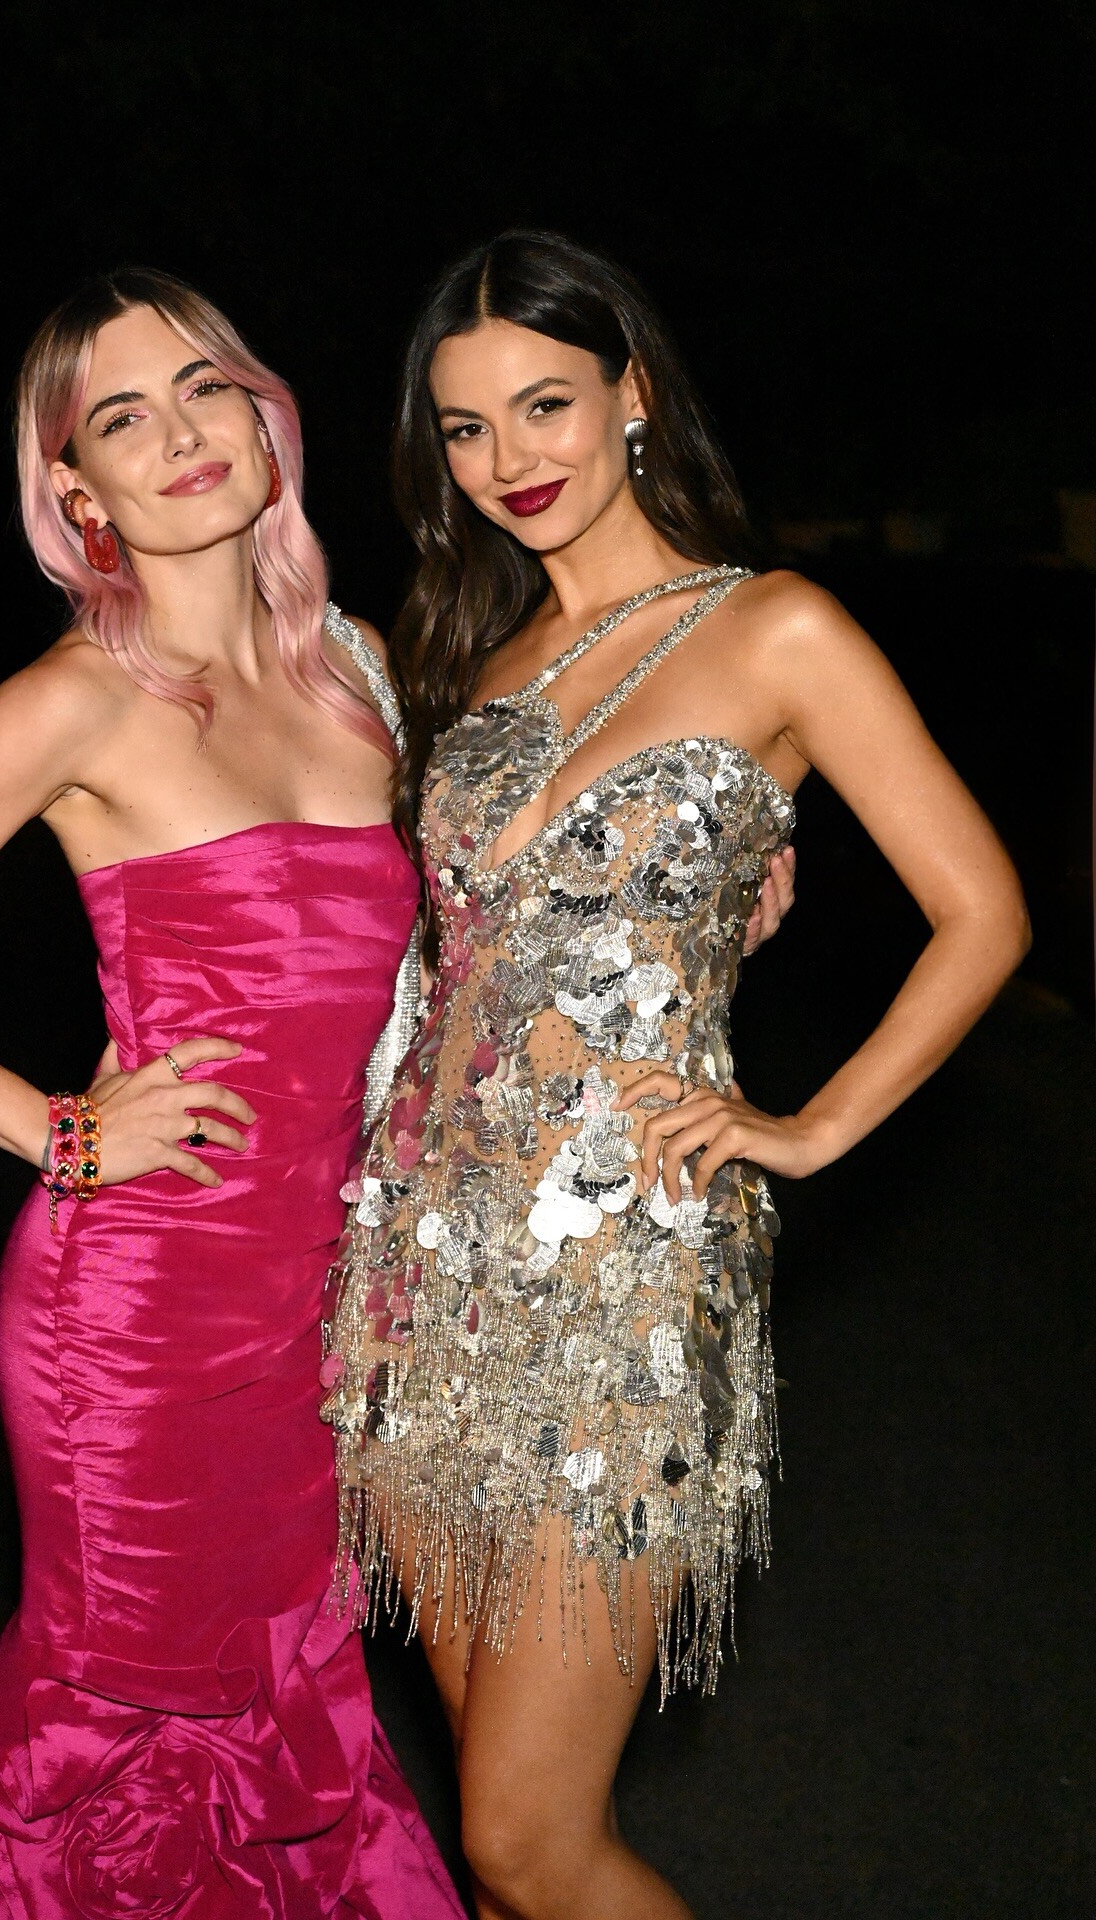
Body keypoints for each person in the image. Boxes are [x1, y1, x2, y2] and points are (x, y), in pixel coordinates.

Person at [321, 230, 1030, 1920]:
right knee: (503, 1846)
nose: (511, 458)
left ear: (631, 392)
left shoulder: (777, 629)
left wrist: (814, 1127)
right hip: (420, 1275)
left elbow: (984, 911)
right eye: (467, 428)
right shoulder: (469, 661)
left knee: (528, 1839)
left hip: (625, 1275)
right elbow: (442, 957)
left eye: (547, 404)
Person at [0, 268, 466, 1918]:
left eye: (204, 388)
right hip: (136, 1322)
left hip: (318, 1303)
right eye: (122, 417)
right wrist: (66, 1131)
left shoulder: (359, 670)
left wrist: (733, 862)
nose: (179, 435)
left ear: (266, 417)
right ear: (75, 489)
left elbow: (473, 921)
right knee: (139, 1744)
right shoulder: (76, 698)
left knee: (291, 1707)